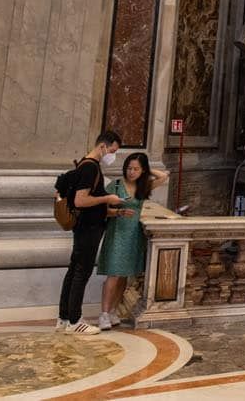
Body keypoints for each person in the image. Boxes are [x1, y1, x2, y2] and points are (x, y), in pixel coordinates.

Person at [57, 130, 125, 335]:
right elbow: (81, 200)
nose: (112, 155)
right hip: (88, 228)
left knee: (74, 270)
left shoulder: (85, 165)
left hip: (86, 225)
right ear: (104, 146)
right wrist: (107, 199)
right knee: (81, 272)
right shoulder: (90, 168)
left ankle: (64, 318)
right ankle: (75, 320)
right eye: (112, 150)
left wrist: (115, 211)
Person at [96, 152, 167, 330]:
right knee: (113, 273)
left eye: (136, 169)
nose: (131, 172)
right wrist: (118, 212)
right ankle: (103, 313)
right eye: (129, 168)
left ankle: (113, 310)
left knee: (124, 276)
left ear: (142, 171)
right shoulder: (116, 185)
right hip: (117, 232)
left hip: (133, 235)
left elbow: (164, 176)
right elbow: (101, 210)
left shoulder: (143, 187)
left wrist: (148, 169)